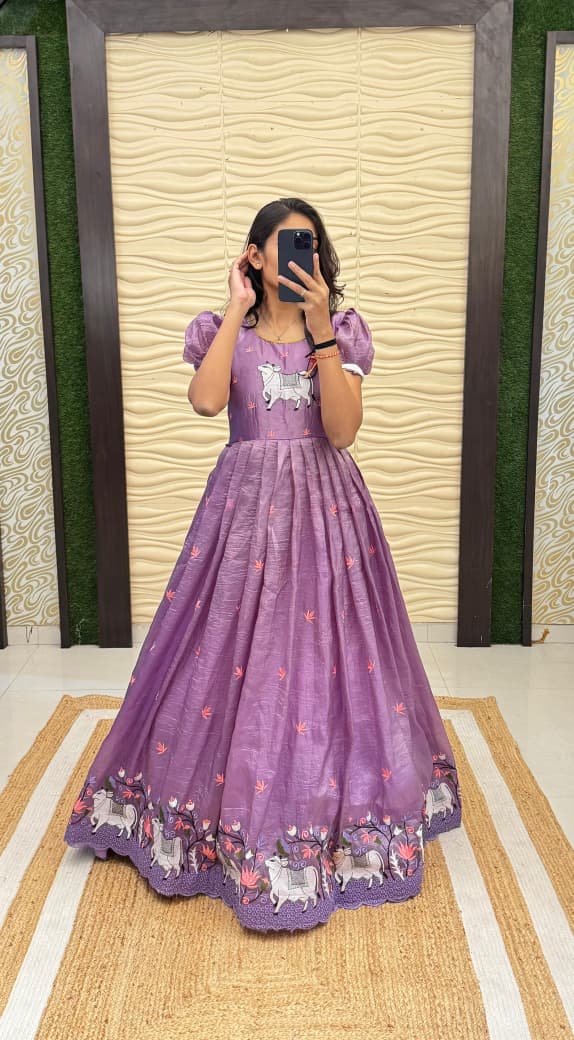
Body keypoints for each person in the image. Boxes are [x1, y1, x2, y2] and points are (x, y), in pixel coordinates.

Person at [64, 197, 462, 934]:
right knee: (221, 648)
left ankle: (336, 816)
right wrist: (234, 308)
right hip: (244, 516)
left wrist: (320, 331)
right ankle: (203, 815)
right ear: (254, 255)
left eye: (310, 243)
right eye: (284, 243)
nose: (300, 255)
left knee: (332, 654)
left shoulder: (340, 331)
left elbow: (342, 432)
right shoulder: (226, 334)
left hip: (328, 513)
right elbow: (205, 401)